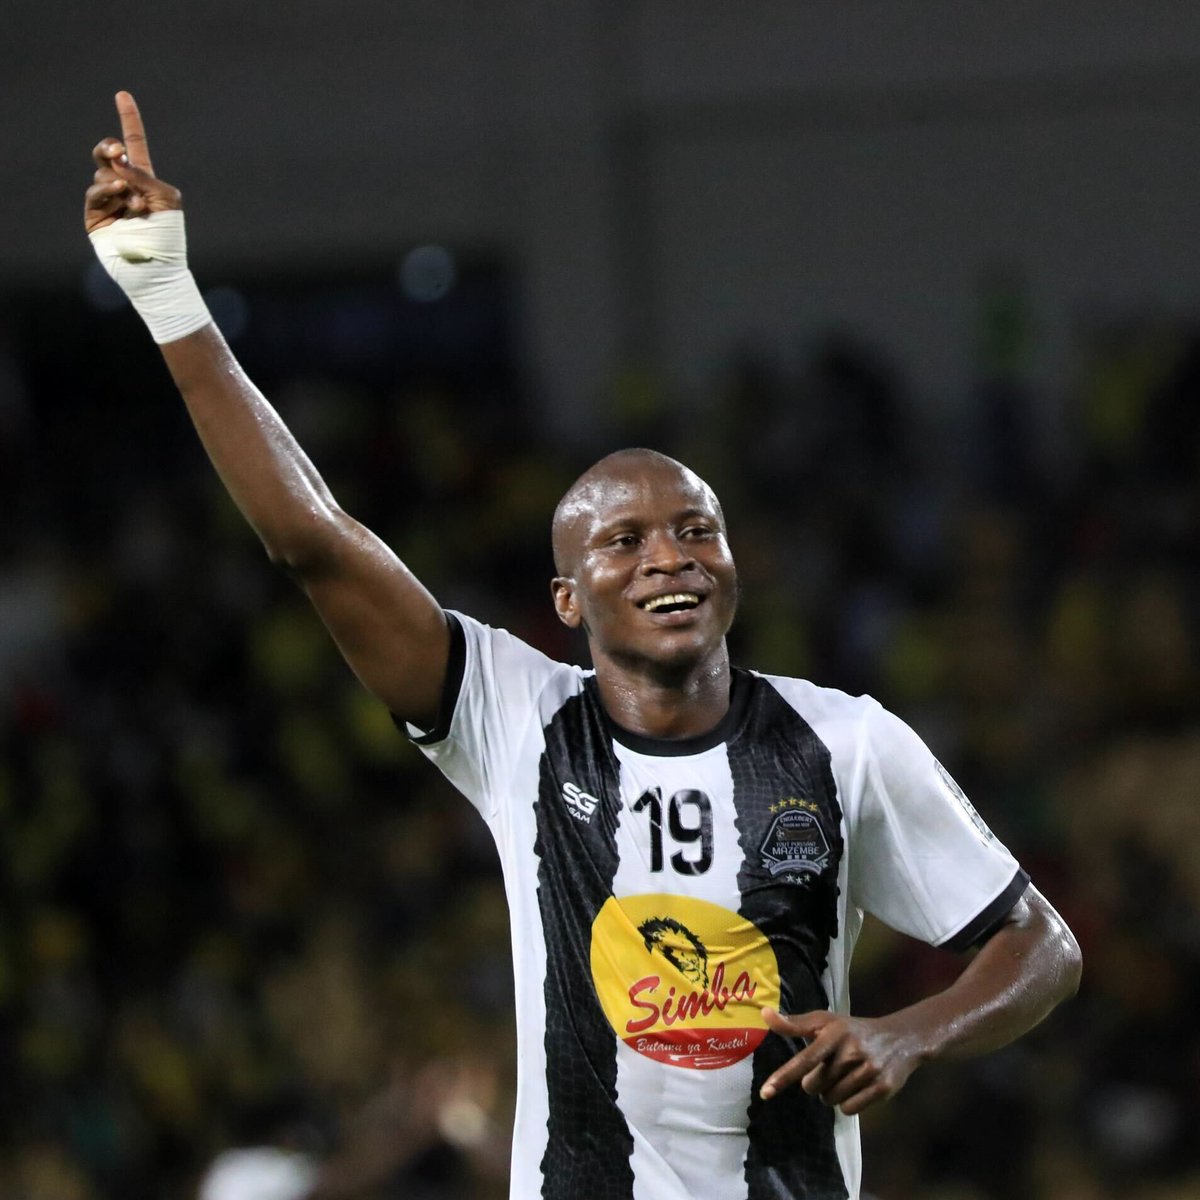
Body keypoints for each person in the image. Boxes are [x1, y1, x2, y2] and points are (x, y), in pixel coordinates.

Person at [84, 92, 1082, 1200]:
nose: (672, 556)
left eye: (698, 529)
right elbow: (311, 541)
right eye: (626, 541)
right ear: (566, 599)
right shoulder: (515, 717)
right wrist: (167, 290)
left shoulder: (844, 742)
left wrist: (910, 1034)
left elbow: (1039, 946)